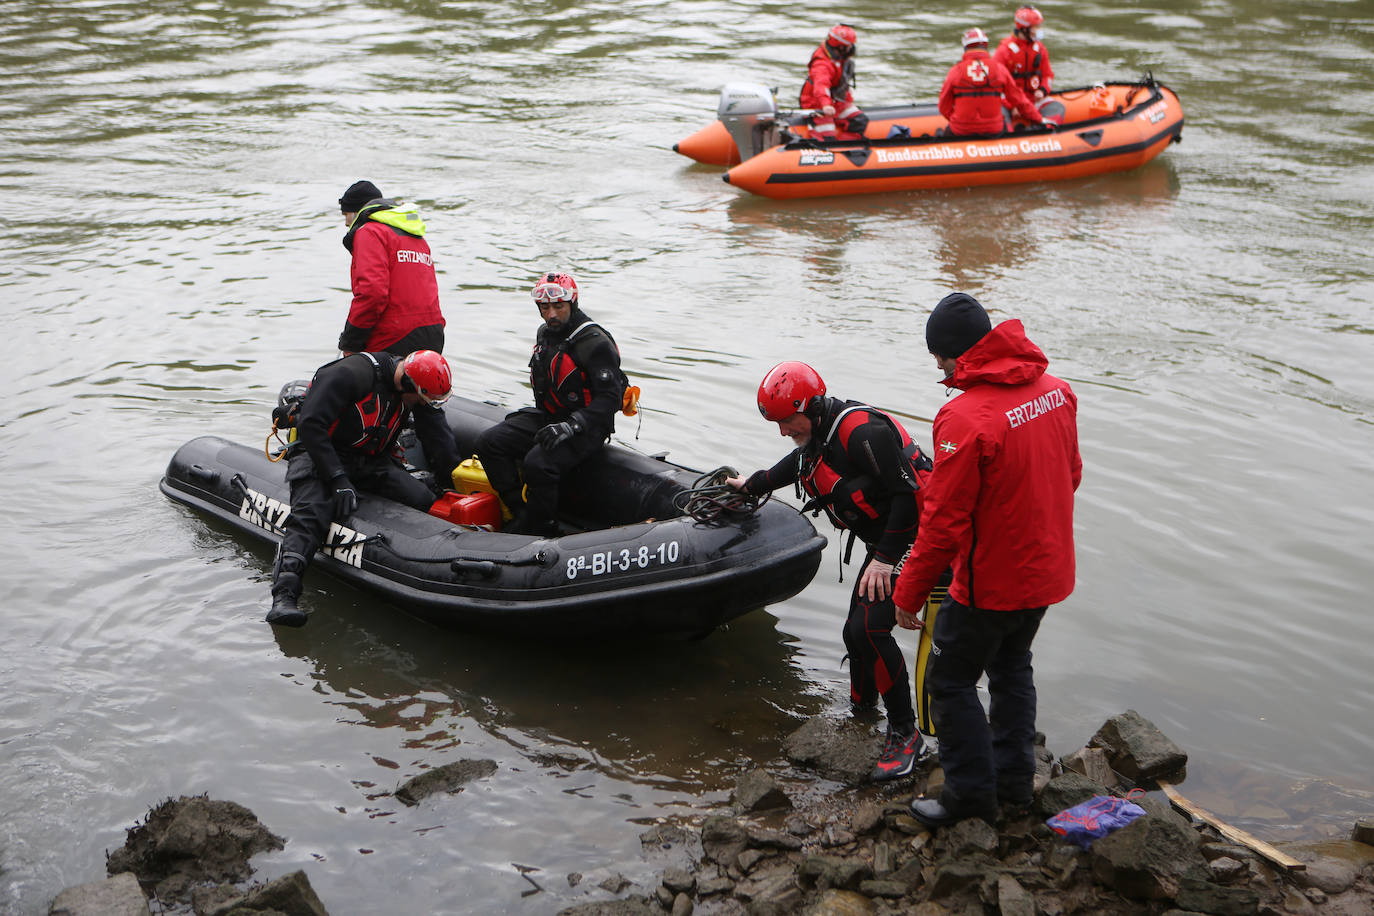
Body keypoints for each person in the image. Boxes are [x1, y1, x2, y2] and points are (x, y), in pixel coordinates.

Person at [893, 293, 1081, 826]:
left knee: (949, 681)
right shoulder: (1057, 393)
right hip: (1047, 573)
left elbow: (942, 523)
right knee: (1012, 668)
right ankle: (1016, 783)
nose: (938, 368)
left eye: (939, 358)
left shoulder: (964, 418)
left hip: (990, 583)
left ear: (957, 355)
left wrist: (907, 593)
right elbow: (1069, 476)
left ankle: (970, 796)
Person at [727, 362, 935, 781]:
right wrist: (752, 485)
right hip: (887, 541)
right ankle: (862, 715)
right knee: (853, 633)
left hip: (918, 536)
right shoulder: (817, 431)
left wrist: (884, 559)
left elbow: (909, 499)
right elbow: (798, 462)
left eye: (787, 420)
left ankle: (906, 735)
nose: (783, 430)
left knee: (872, 630)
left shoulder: (862, 433)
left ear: (811, 406)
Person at [266, 349, 460, 627]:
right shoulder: (352, 374)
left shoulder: (412, 390)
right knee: (311, 513)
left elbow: (436, 437)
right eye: (420, 397)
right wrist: (336, 478)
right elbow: (311, 425)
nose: (420, 403)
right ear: (407, 384)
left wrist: (451, 479)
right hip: (320, 454)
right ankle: (284, 594)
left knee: (420, 496)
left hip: (369, 459)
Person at [473, 272, 624, 537]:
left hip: (587, 427)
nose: (551, 314)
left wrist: (573, 425)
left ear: (572, 304)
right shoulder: (546, 333)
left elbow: (610, 399)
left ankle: (544, 529)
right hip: (551, 416)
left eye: (558, 306)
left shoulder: (594, 343)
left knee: (538, 463)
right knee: (490, 442)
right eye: (545, 307)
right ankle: (521, 512)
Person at [336, 180, 446, 357]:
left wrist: (350, 343)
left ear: (357, 211)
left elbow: (372, 293)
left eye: (346, 214)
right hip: (433, 334)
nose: (346, 223)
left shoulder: (369, 231)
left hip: (394, 337)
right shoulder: (415, 234)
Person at [938, 27, 1048, 137]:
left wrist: (958, 121)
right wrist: (1039, 119)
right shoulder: (999, 69)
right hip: (994, 130)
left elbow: (943, 106)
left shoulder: (955, 71)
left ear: (966, 47)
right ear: (985, 46)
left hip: (961, 130)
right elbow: (1019, 100)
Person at [799, 24, 869, 141]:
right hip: (816, 104)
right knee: (827, 138)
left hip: (835, 102)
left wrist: (847, 102)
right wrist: (826, 105)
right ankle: (832, 151)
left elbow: (843, 85)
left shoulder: (840, 60)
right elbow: (821, 86)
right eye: (849, 46)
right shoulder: (822, 64)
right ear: (840, 47)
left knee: (860, 121)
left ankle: (846, 148)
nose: (852, 49)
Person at [993, 6, 1054, 103]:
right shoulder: (1004, 51)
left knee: (1057, 108)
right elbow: (996, 84)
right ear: (1024, 29)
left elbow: (1048, 76)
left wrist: (1042, 90)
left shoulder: (1040, 49)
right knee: (1001, 113)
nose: (1039, 30)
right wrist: (1012, 106)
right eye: (1036, 27)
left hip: (1033, 99)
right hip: (1011, 102)